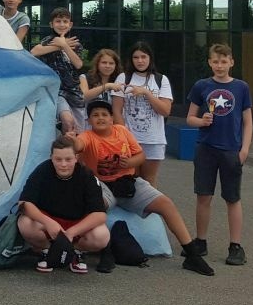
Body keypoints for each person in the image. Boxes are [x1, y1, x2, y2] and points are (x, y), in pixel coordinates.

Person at [69, 100, 213, 276]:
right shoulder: (87, 136)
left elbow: (140, 155)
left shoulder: (122, 131)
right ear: (89, 120)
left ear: (112, 118)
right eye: (95, 115)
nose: (100, 118)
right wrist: (71, 140)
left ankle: (192, 255)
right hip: (102, 184)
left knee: (166, 204)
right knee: (96, 208)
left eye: (104, 114)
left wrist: (129, 162)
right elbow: (77, 145)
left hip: (128, 182)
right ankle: (106, 252)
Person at [185, 43, 253, 266]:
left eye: (224, 61)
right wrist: (201, 121)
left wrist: (244, 149)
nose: (220, 66)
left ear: (232, 62)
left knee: (232, 198)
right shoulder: (201, 86)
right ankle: (201, 241)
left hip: (231, 150)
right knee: (203, 196)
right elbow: (190, 118)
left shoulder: (241, 87)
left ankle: (235, 245)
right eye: (215, 61)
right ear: (210, 63)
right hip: (206, 148)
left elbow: (248, 121)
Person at [17, 136, 111, 274]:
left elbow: (100, 215)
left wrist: (71, 233)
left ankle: (75, 253)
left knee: (101, 236)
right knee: (25, 223)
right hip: (49, 220)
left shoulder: (87, 175)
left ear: (76, 158)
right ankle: (47, 251)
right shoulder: (42, 171)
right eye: (58, 159)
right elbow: (24, 203)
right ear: (51, 158)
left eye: (68, 159)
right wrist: (48, 222)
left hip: (77, 222)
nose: (63, 164)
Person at [113, 41, 172, 186]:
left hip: (154, 139)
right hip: (130, 138)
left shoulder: (160, 79)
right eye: (136, 57)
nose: (140, 61)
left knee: (149, 181)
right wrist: (124, 136)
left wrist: (146, 93)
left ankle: (150, 203)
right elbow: (116, 110)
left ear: (150, 58)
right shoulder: (123, 78)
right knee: (130, 178)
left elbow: (165, 110)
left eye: (143, 57)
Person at [31, 8, 85, 133]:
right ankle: (63, 142)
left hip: (74, 92)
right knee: (67, 120)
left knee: (78, 131)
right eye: (58, 21)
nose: (62, 24)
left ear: (70, 24)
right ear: (51, 24)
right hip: (56, 90)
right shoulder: (48, 41)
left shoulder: (75, 43)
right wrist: (59, 45)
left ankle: (67, 144)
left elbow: (78, 64)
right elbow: (34, 51)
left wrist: (65, 45)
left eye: (65, 21)